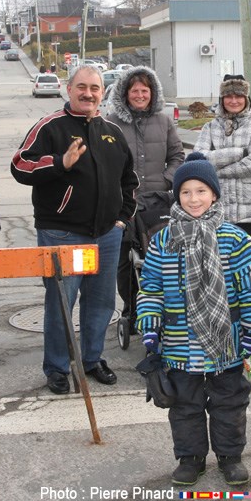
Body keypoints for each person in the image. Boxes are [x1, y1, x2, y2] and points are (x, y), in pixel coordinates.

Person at [135, 152, 251, 486]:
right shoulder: (163, 241)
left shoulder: (236, 239)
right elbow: (151, 288)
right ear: (176, 196)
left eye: (201, 191)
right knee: (184, 406)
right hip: (179, 343)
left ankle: (230, 456)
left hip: (227, 342)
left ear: (214, 195)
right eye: (186, 192)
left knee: (230, 403)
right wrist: (150, 328)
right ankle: (190, 458)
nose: (193, 199)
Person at [11, 65, 137, 395]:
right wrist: (58, 163)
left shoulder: (112, 131)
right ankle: (56, 367)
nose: (88, 93)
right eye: (81, 87)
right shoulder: (49, 127)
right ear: (69, 89)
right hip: (61, 234)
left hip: (107, 235)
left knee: (100, 303)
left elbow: (130, 181)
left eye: (94, 88)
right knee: (60, 304)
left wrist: (121, 220)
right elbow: (20, 164)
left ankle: (92, 359)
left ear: (102, 92)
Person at [104, 66, 184, 325]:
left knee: (159, 256)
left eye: (144, 90)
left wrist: (166, 180)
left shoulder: (164, 121)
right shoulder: (112, 122)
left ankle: (161, 307)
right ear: (125, 94)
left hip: (157, 202)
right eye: (134, 90)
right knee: (125, 260)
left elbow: (176, 156)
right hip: (123, 203)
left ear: (152, 93)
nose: (139, 95)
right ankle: (132, 308)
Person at [193, 74, 251, 266]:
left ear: (246, 99)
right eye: (229, 96)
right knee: (222, 269)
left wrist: (216, 171)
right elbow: (197, 159)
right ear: (222, 100)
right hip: (218, 213)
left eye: (239, 96)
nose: (234, 101)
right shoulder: (209, 127)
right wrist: (240, 152)